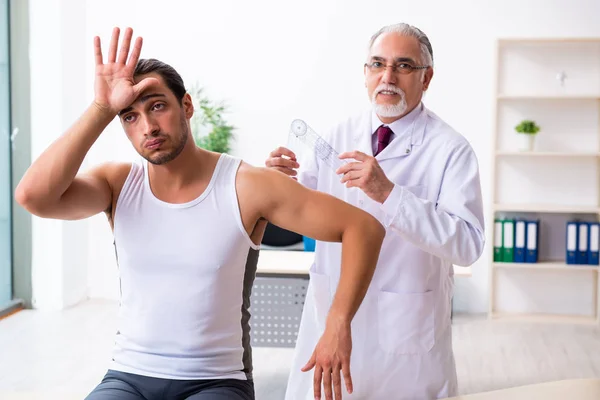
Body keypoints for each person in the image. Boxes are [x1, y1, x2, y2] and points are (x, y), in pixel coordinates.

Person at [15, 27, 386, 400]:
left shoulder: (246, 185)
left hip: (216, 381)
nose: (148, 127)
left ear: (186, 106)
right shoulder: (117, 183)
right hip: (128, 376)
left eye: (157, 105)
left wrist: (338, 324)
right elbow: (34, 197)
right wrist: (101, 109)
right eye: (129, 116)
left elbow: (363, 228)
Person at [266, 23, 485, 399]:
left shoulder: (451, 150)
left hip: (404, 336)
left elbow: (467, 245)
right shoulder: (335, 136)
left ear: (426, 77)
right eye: (377, 64)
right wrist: (277, 185)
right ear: (365, 72)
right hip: (332, 315)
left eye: (403, 66)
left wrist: (389, 193)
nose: (388, 77)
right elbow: (299, 211)